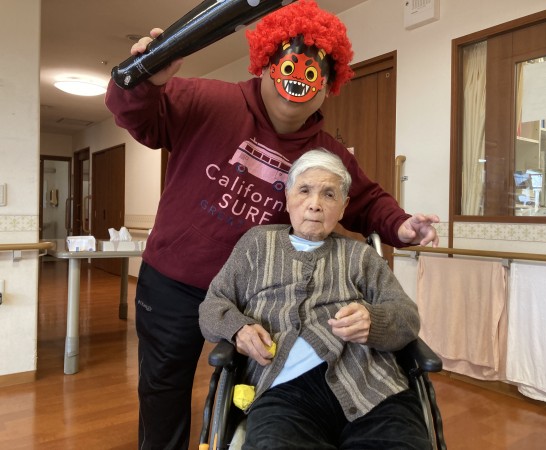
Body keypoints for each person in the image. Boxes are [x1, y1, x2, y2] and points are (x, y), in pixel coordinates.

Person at [105, 1, 439, 448]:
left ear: (328, 87)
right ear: (265, 64)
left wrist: (402, 226)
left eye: (313, 74)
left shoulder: (326, 155)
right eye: (288, 66)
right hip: (174, 280)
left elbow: (365, 199)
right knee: (163, 390)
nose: (297, 81)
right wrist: (142, 78)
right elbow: (139, 116)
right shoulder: (208, 100)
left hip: (258, 296)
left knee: (246, 387)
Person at [199, 149, 430, 450]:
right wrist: (238, 329)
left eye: (329, 194)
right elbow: (212, 305)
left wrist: (374, 322)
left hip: (371, 387)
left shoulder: (360, 255)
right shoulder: (257, 244)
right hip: (283, 394)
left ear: (343, 207)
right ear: (287, 198)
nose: (315, 204)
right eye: (304, 190)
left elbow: (407, 317)